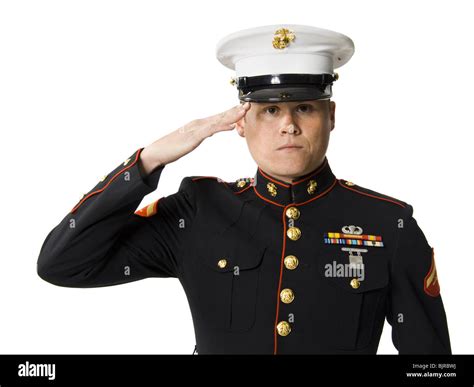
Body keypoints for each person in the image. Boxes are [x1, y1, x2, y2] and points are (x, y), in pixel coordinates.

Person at [37, 24, 451, 354]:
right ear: (240, 122)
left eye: (304, 107)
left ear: (332, 116)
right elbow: (63, 264)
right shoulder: (198, 212)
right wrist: (149, 160)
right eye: (270, 109)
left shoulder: (388, 225)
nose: (288, 125)